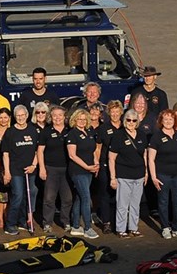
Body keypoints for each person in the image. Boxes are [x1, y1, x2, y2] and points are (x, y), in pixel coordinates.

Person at [147, 109, 177, 240]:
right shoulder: (156, 137)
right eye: (165, 119)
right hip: (162, 174)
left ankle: (176, 227)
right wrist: (154, 177)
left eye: (171, 119)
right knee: (163, 201)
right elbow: (151, 159)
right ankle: (165, 227)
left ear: (174, 121)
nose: (168, 122)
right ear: (161, 121)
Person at [108, 109, 149, 238]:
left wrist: (146, 172)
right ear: (125, 121)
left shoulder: (142, 135)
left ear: (137, 122)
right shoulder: (118, 135)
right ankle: (121, 229)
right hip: (123, 175)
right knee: (122, 204)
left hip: (139, 175)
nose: (131, 122)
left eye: (134, 120)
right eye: (129, 120)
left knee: (135, 204)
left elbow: (144, 155)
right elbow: (111, 158)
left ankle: (133, 228)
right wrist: (113, 177)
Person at [1, 105, 40, 236]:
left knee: (27, 196)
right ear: (14, 117)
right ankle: (10, 224)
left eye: (23, 115)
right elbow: (5, 154)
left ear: (27, 116)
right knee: (17, 195)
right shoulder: (10, 132)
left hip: (30, 169)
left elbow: (38, 151)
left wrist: (34, 165)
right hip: (15, 169)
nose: (21, 118)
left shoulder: (33, 130)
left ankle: (22, 221)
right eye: (18, 116)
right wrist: (7, 171)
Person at [65, 108, 101, 240]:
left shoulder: (90, 132)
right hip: (78, 170)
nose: (81, 121)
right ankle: (87, 227)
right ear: (74, 120)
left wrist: (95, 163)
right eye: (79, 119)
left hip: (89, 170)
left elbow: (93, 150)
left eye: (84, 119)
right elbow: (72, 155)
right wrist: (87, 167)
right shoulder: (72, 134)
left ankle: (75, 226)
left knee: (80, 197)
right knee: (86, 197)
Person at [38, 105, 72, 233]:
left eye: (60, 115)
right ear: (50, 117)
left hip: (67, 169)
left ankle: (66, 221)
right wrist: (42, 168)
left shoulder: (70, 130)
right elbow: (40, 151)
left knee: (67, 198)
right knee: (49, 198)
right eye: (54, 115)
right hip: (50, 169)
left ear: (64, 117)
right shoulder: (46, 132)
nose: (57, 118)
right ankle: (47, 223)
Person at [94, 100, 124, 233]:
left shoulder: (126, 127)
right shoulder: (103, 128)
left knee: (120, 196)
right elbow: (98, 147)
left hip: (123, 165)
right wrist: (97, 163)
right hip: (105, 164)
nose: (115, 114)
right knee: (105, 194)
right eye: (113, 112)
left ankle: (119, 222)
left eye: (117, 112)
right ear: (109, 113)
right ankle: (106, 222)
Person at [0, 107, 12, 229]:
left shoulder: (13, 131)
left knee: (9, 195)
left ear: (9, 118)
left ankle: (7, 217)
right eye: (1, 117)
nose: (3, 120)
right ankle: (0, 219)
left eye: (5, 117)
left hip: (10, 165)